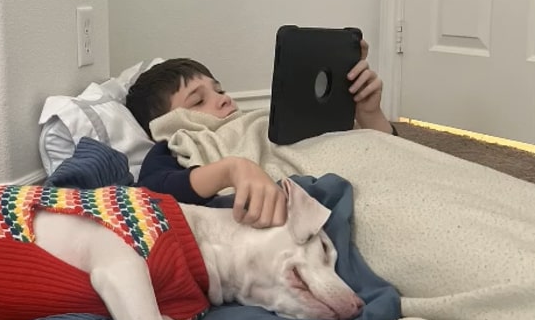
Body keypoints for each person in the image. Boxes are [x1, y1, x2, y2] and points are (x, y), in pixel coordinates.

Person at [125, 41, 396, 230]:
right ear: (166, 124)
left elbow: (382, 151)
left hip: (377, 174)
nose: (223, 99)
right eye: (197, 102)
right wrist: (231, 170)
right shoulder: (178, 145)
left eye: (219, 90)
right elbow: (152, 192)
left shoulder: (263, 123)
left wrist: (370, 116)